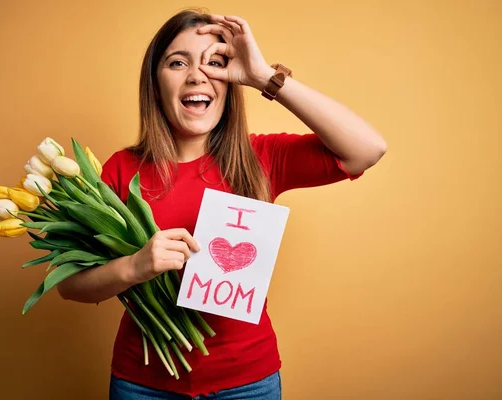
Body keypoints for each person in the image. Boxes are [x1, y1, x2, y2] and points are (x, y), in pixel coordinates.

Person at [57, 8, 387, 400]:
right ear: (155, 82)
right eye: (177, 63)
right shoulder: (121, 169)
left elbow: (367, 149)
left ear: (231, 83)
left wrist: (265, 77)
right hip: (143, 384)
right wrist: (134, 266)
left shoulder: (260, 157)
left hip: (248, 383)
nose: (197, 75)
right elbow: (70, 285)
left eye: (215, 63)